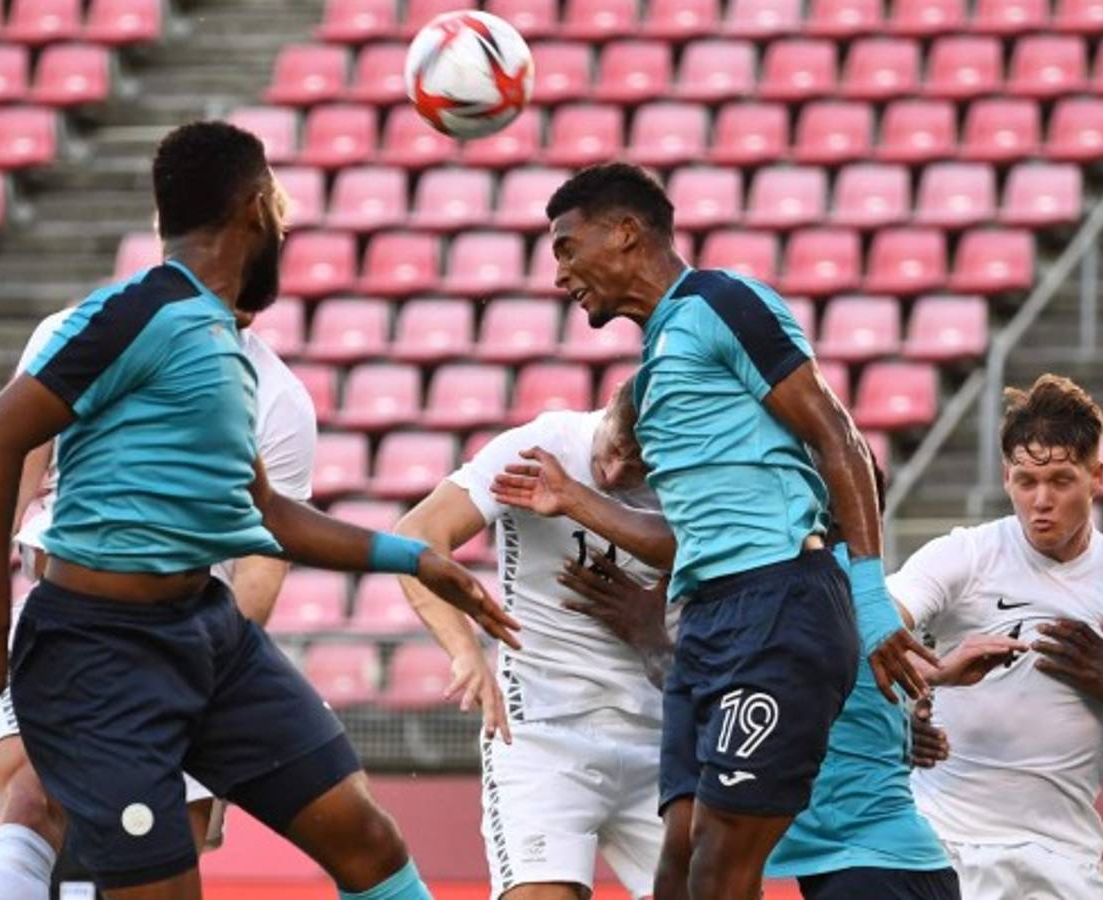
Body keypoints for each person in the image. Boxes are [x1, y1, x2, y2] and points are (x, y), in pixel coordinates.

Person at [0, 120, 517, 900]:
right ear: (255, 208)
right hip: (100, 653)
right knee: (64, 828)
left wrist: (416, 558)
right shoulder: (135, 315)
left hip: (207, 634)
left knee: (365, 836)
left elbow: (266, 515)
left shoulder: (218, 341)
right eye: (279, 214)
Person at [540, 162, 936, 899]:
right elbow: (695, 530)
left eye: (567, 247)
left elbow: (838, 437)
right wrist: (585, 493)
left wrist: (869, 596)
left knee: (720, 862)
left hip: (779, 601)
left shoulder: (722, 303)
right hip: (708, 621)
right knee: (677, 857)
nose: (559, 273)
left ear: (624, 232)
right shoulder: (655, 364)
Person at [493, 423, 1023, 900]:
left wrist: (650, 635)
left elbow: (736, 695)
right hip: (891, 864)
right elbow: (843, 695)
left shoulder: (803, 601)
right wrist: (918, 710)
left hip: (868, 870)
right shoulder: (850, 598)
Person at [0, 300, 318, 898]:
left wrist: (199, 675)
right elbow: (1, 491)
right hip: (62, 617)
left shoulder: (279, 399)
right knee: (27, 800)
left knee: (160, 856)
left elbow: (259, 573)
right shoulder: (73, 334)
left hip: (188, 643)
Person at [393, 381, 671, 900]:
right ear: (610, 403)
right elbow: (415, 535)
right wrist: (464, 651)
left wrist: (654, 631)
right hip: (544, 732)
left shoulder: (694, 484)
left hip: (664, 737)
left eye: (637, 468)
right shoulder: (542, 447)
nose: (614, 474)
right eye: (614, 449)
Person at [887, 373, 1103, 900]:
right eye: (1025, 481)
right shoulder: (966, 556)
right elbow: (861, 634)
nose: (1041, 501)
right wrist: (931, 678)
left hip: (1061, 862)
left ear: (1096, 476)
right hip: (944, 845)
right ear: (1005, 476)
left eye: (1061, 480)